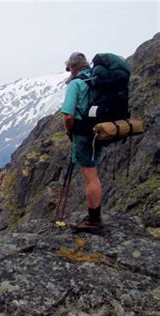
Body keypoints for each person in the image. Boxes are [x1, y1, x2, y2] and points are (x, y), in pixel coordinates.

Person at [61, 52, 103, 233]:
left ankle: (94, 220)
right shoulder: (97, 80)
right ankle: (95, 215)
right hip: (99, 131)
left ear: (73, 67)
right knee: (93, 172)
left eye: (68, 68)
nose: (68, 71)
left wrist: (69, 131)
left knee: (89, 177)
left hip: (83, 134)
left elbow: (68, 115)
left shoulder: (76, 84)